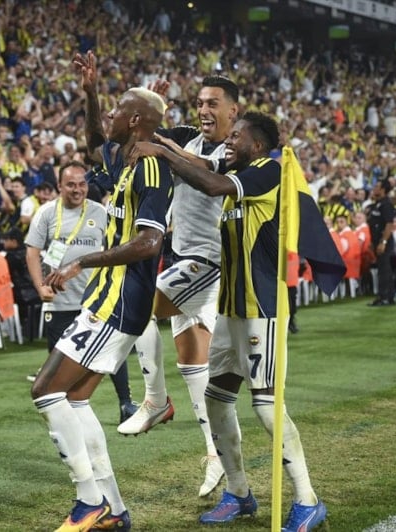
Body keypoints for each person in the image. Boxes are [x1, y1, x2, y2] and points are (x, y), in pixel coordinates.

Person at [130, 111, 344, 531]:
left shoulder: (268, 172)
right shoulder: (238, 174)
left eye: (237, 136)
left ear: (257, 145)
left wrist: (164, 153)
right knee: (216, 399)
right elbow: (204, 167)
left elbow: (211, 183)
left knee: (266, 407)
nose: (229, 141)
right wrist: (162, 141)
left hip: (261, 309)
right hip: (230, 310)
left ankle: (307, 499)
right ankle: (240, 493)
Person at [30, 51, 173, 532]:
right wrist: (90, 92)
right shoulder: (124, 161)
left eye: (115, 109)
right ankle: (113, 509)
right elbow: (95, 141)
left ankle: (88, 501)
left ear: (134, 121)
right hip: (107, 299)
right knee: (73, 400)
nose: (108, 114)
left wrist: (82, 261)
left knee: (45, 391)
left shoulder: (151, 169)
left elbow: (150, 242)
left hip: (118, 301)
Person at [118, 76, 240, 499]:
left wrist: (166, 151)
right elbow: (141, 138)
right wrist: (154, 105)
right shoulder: (187, 136)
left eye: (213, 103)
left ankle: (155, 401)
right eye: (200, 102)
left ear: (233, 111)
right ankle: (215, 454)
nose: (203, 110)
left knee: (136, 305)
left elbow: (204, 171)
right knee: (194, 370)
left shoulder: (236, 149)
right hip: (185, 261)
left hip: (207, 261)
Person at [25, 161, 137, 423]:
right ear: (59, 186)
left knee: (110, 351)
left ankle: (125, 404)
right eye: (71, 185)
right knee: (60, 362)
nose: (77, 190)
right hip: (59, 301)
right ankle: (65, 410)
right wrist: (40, 286)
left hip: (96, 299)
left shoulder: (100, 212)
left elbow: (115, 248)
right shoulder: (46, 213)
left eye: (82, 184)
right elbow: (32, 252)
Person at [366, 179, 396, 306]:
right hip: (377, 241)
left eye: (377, 186)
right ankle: (389, 297)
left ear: (383, 189)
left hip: (384, 241)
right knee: (383, 268)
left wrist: (383, 242)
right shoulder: (378, 204)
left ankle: (384, 297)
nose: (374, 188)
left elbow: (389, 224)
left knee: (384, 269)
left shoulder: (386, 204)